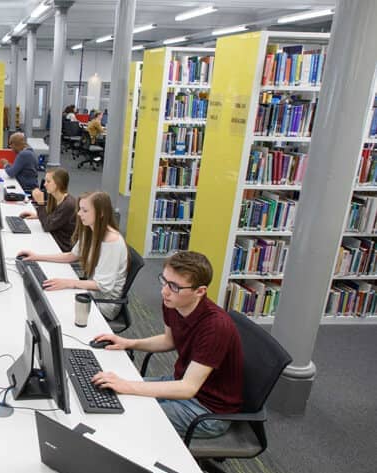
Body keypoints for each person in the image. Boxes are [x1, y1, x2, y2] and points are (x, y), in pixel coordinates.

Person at [91, 251, 244, 439]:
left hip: (207, 410)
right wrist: (127, 342)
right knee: (110, 395)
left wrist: (126, 385)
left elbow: (188, 388)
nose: (164, 291)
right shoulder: (173, 302)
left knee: (127, 416)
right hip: (179, 383)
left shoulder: (216, 327)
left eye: (174, 286)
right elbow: (169, 340)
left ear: (200, 291)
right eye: (164, 281)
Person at [17, 191, 127, 319]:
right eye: (80, 209)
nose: (79, 214)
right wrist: (37, 256)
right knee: (47, 298)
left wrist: (67, 283)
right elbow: (72, 256)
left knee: (52, 307)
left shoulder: (112, 241)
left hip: (103, 303)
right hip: (89, 291)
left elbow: (103, 286)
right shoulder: (91, 228)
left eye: (85, 210)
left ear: (101, 213)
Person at [18, 168, 77, 252]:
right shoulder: (54, 197)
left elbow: (47, 226)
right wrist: (38, 215)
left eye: (48, 182)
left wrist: (40, 204)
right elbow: (52, 216)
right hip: (51, 237)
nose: (45, 184)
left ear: (58, 183)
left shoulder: (68, 204)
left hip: (60, 246)